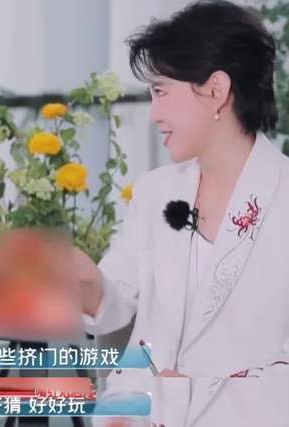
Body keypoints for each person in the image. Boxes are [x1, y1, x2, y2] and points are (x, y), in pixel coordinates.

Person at [70, 1, 289, 425]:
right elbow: (117, 299)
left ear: (216, 90)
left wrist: (188, 393)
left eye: (161, 92)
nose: (154, 114)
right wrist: (83, 283)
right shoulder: (156, 193)